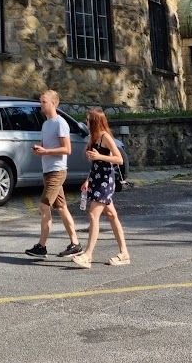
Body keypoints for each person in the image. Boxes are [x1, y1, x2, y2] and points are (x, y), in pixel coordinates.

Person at [25, 89, 81, 259]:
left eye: (44, 102)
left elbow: (67, 149)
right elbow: (46, 146)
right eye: (40, 101)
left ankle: (41, 246)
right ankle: (75, 244)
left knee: (44, 206)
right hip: (48, 170)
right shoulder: (46, 124)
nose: (41, 104)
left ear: (54, 103)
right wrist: (39, 150)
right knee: (62, 208)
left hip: (57, 170)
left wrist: (46, 151)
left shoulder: (60, 123)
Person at [73, 109, 130, 269]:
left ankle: (88, 255)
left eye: (88, 120)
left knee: (93, 214)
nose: (86, 122)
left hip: (106, 180)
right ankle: (124, 253)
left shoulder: (105, 137)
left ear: (95, 121)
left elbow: (119, 159)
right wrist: (88, 180)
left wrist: (100, 156)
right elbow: (93, 161)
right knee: (112, 215)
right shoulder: (94, 137)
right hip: (96, 178)